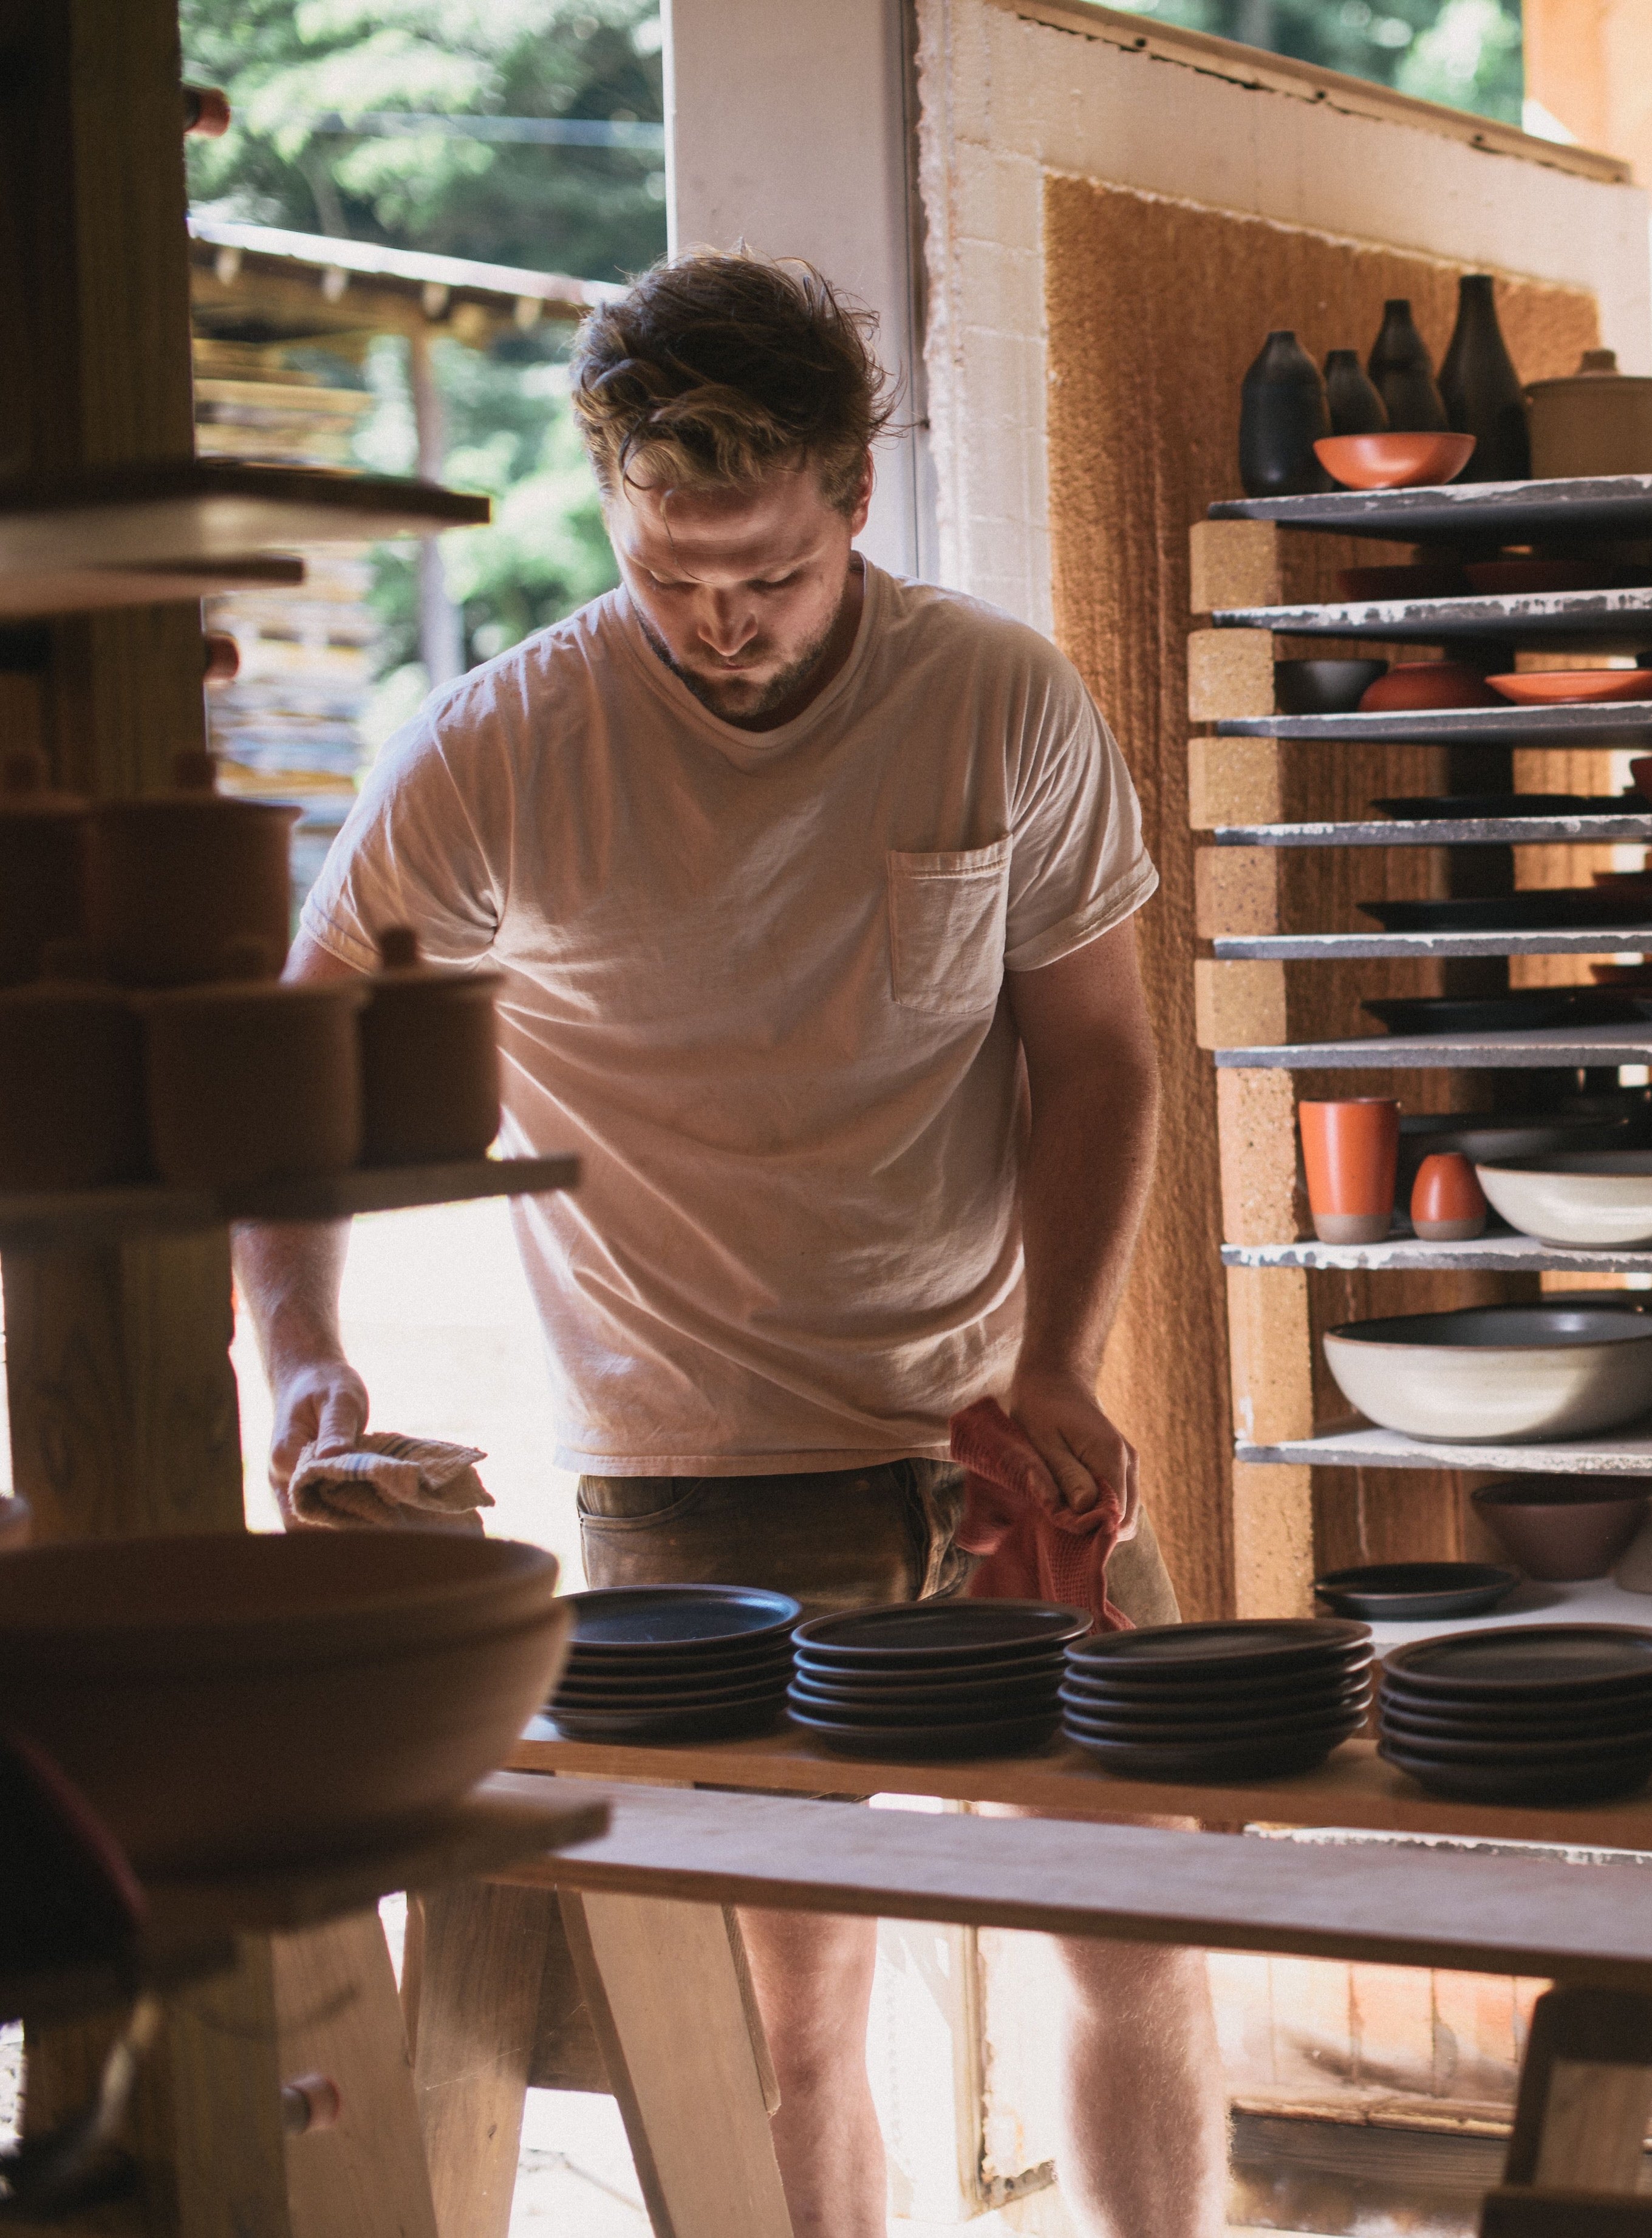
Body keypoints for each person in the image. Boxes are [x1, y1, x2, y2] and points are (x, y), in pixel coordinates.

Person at [234, 251, 1220, 2237]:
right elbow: (297, 1056)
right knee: (788, 2014)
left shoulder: (992, 698)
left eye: (764, 573)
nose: (718, 622)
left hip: (1001, 1441)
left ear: (853, 496)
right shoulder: (503, 746)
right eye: (672, 572)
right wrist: (301, 1360)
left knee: (1139, 1923)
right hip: (694, 1482)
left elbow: (1102, 1059)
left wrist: (1060, 1359)